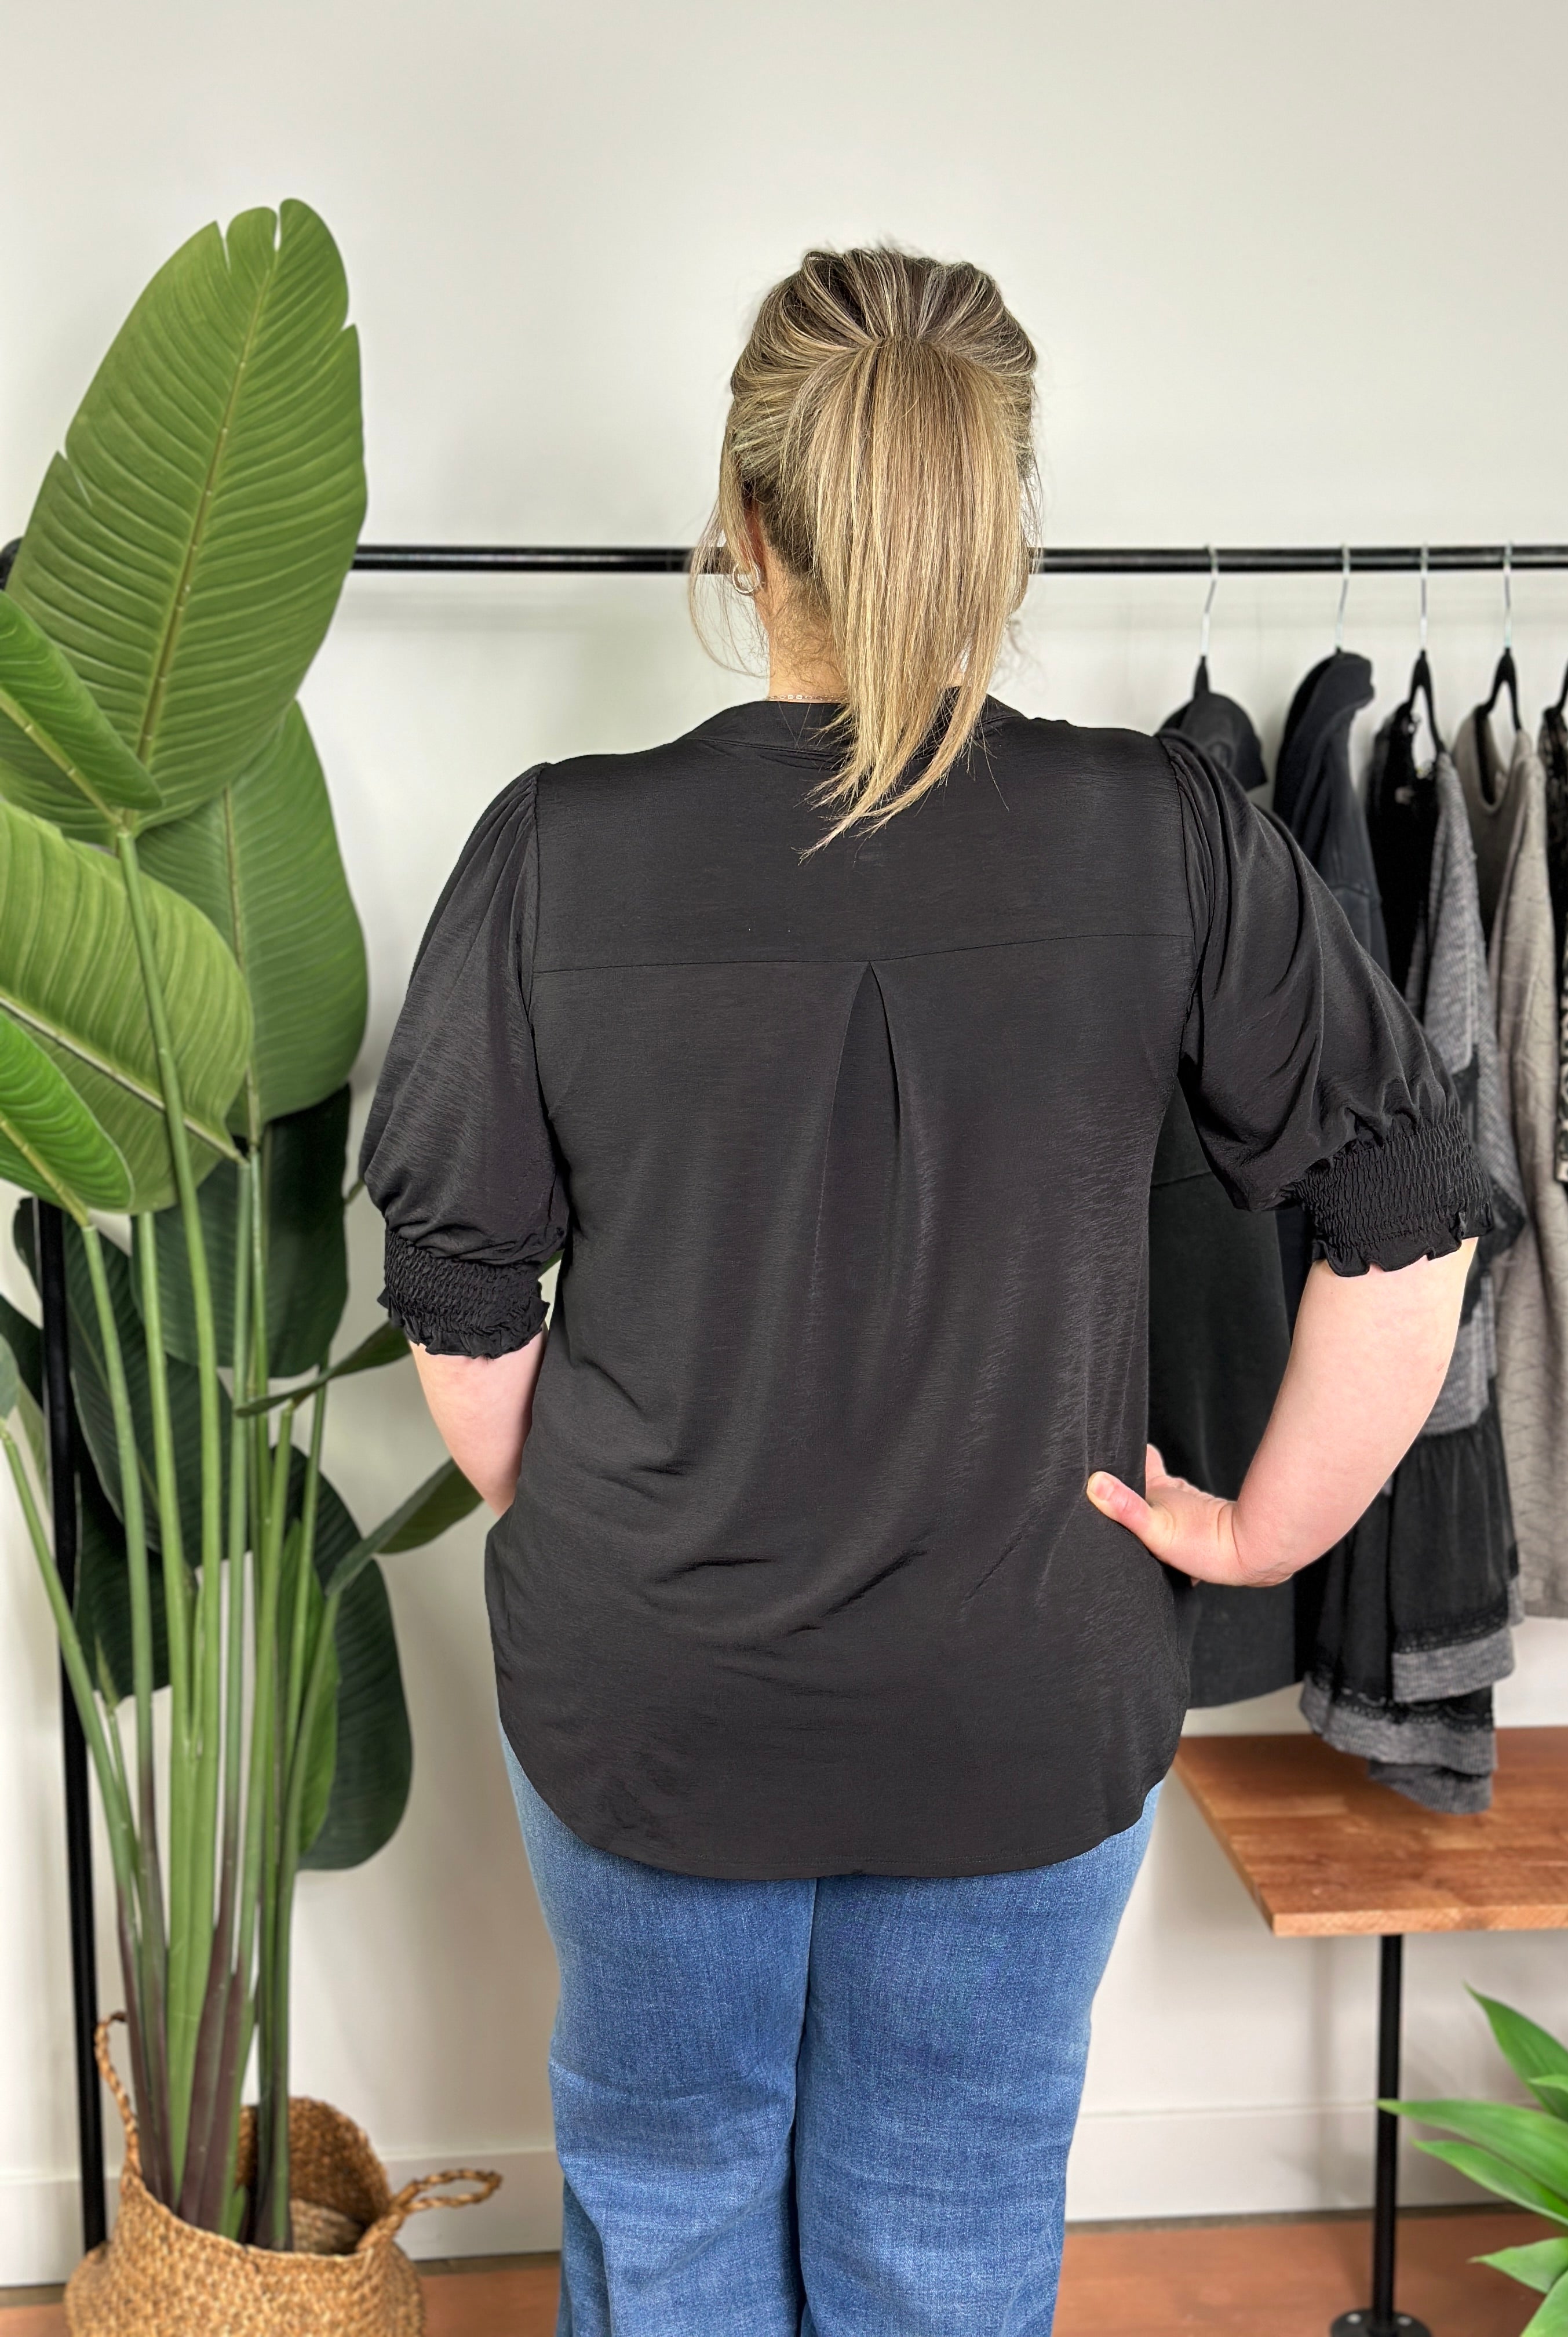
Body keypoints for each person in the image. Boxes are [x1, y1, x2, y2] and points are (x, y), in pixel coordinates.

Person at [359, 246, 1485, 2337]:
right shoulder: (1166, 836)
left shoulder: (554, 851)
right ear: (1003, 525)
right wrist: (1260, 1534)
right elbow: (1409, 1209)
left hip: (655, 1693)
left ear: (744, 521)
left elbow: (461, 1295)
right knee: (945, 2244)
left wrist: (603, 1520)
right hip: (1023, 1692)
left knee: (671, 2218)